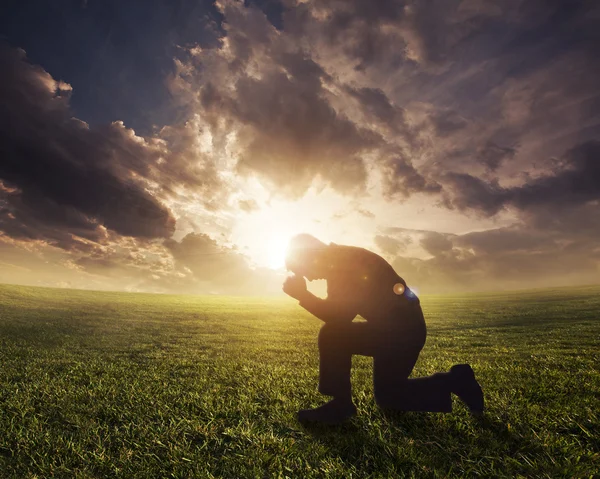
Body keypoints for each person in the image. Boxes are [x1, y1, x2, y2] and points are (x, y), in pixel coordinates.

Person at [283, 233, 484, 424]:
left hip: (401, 333)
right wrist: (305, 295)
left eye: (304, 271)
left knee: (333, 334)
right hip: (394, 331)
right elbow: (339, 310)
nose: (309, 278)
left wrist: (304, 296)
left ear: (310, 257)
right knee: (389, 397)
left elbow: (339, 317)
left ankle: (340, 405)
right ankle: (457, 380)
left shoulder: (344, 264)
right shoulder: (339, 261)